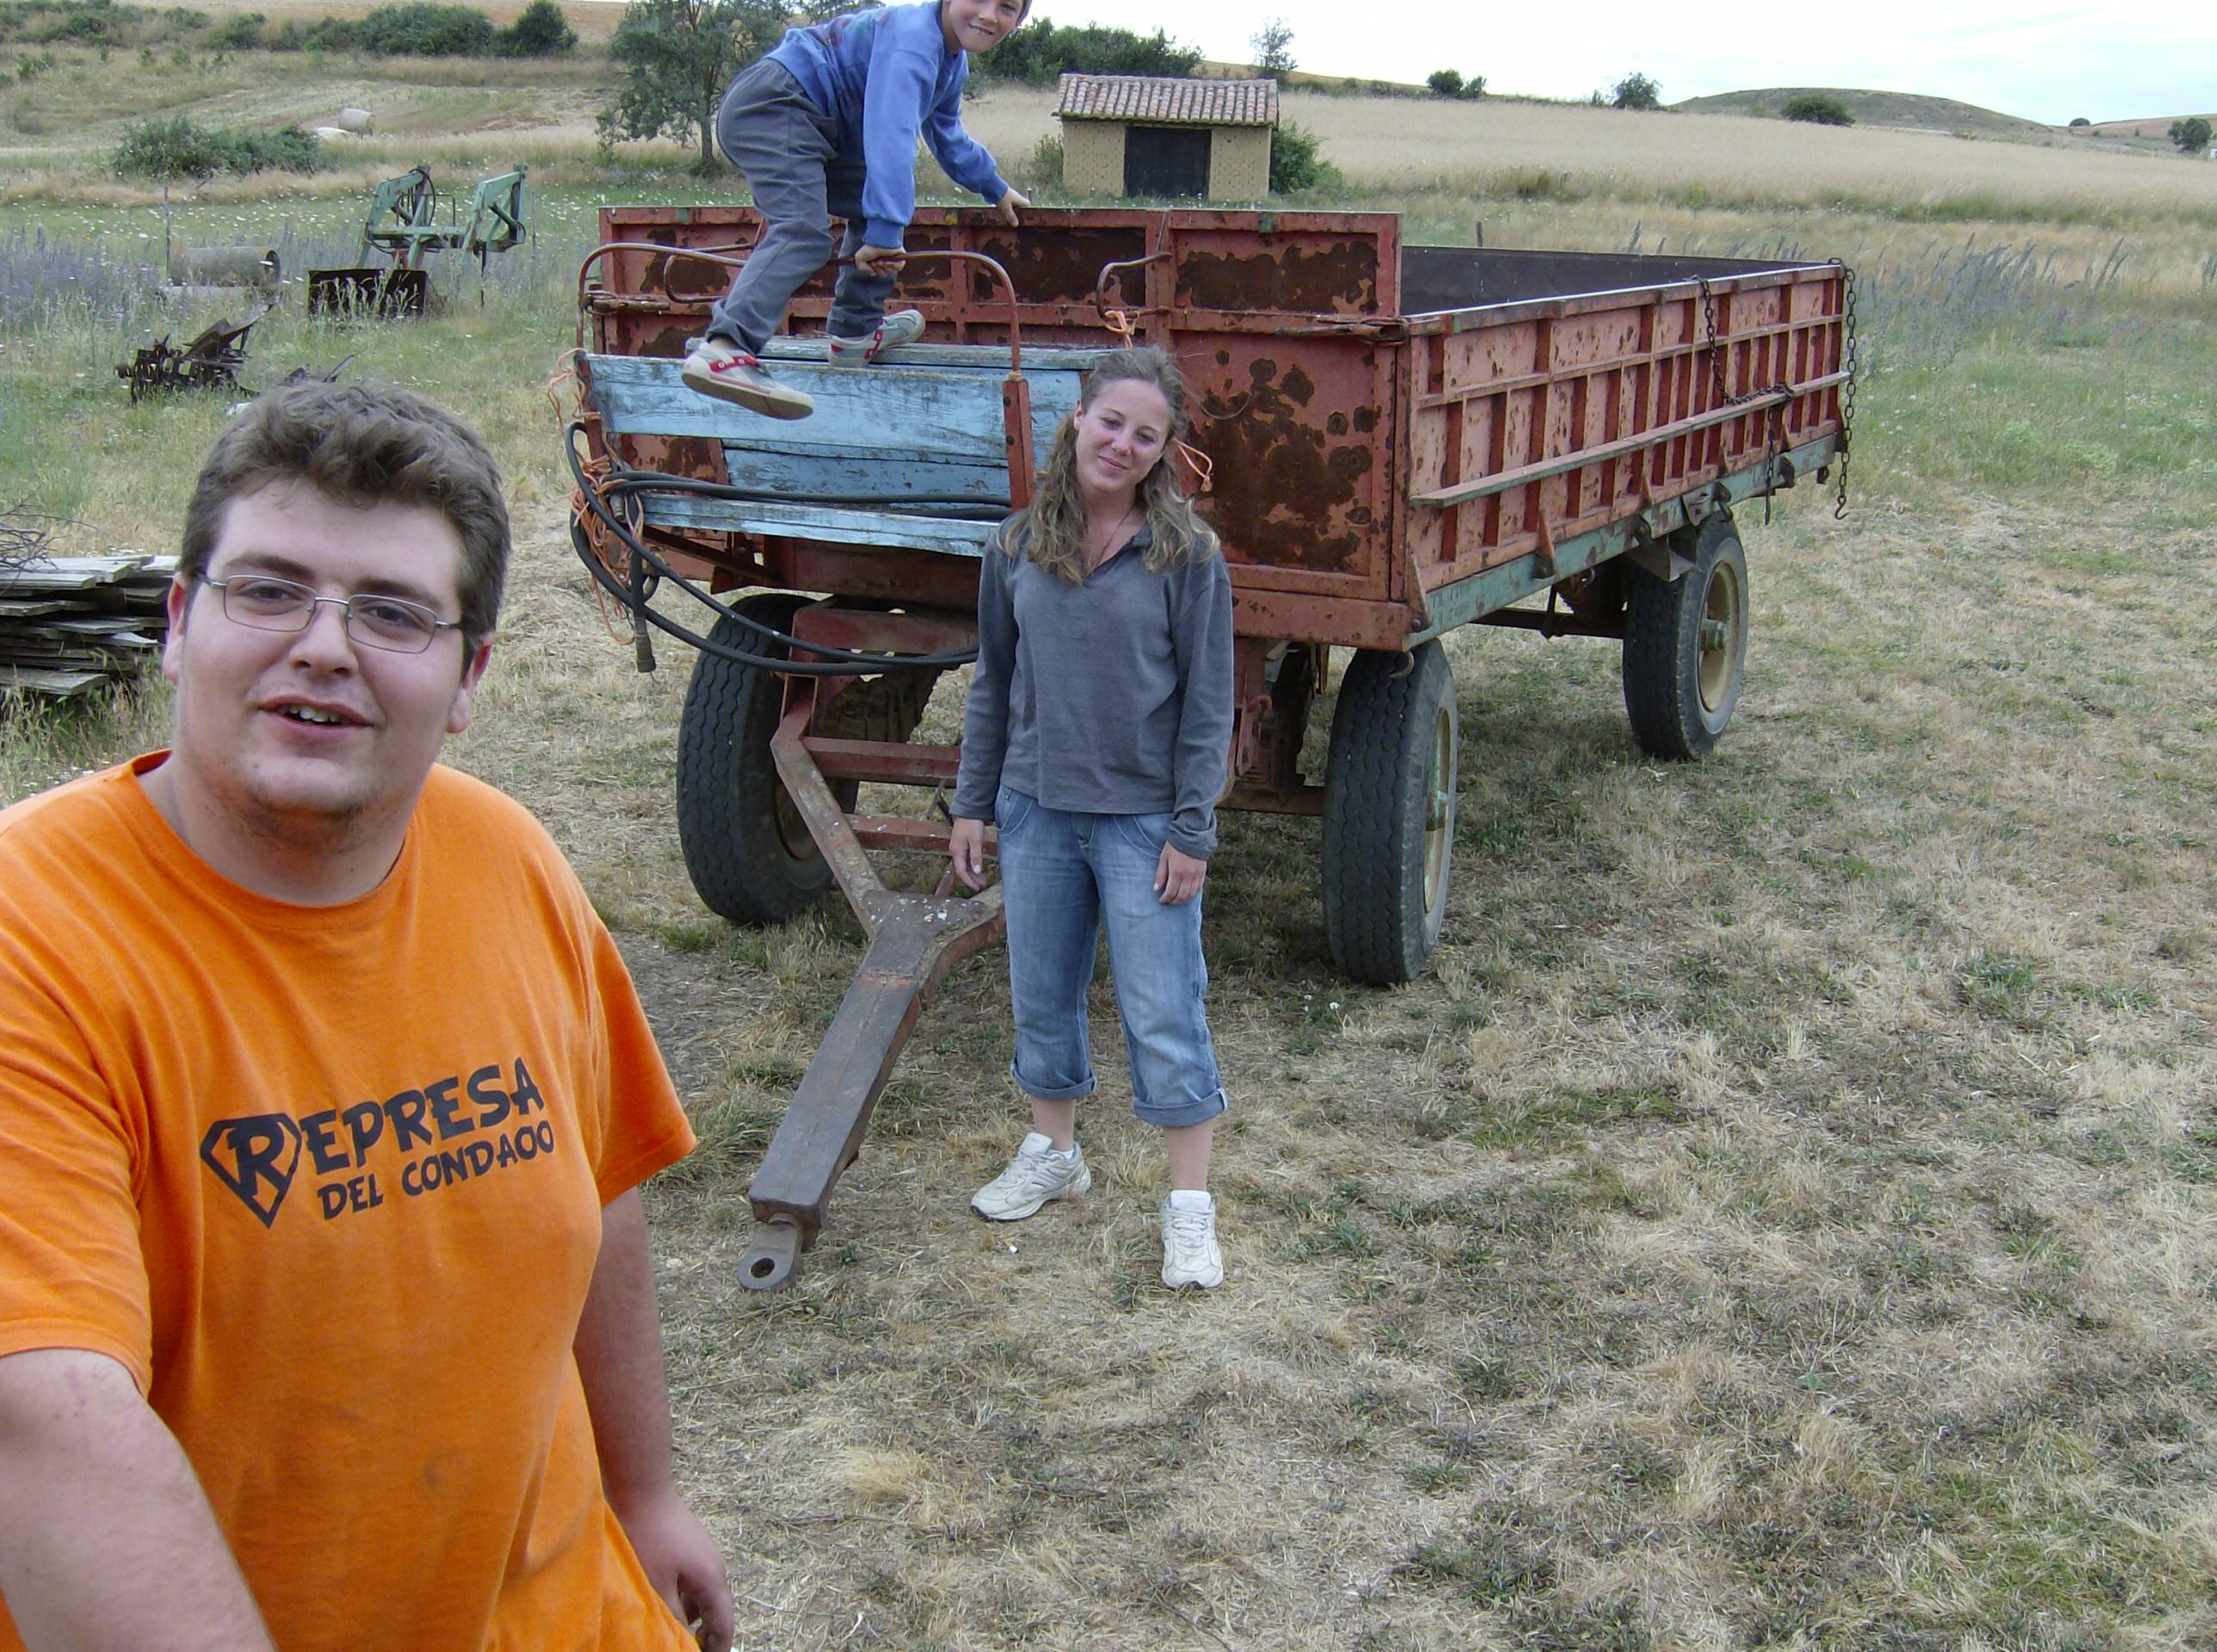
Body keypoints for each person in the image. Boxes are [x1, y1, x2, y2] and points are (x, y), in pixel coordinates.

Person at [0, 383, 735, 1652]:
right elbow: (48, 1419)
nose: (324, 647)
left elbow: (597, 1183)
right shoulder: (37, 933)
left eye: (392, 613)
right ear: (177, 623)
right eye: (269, 589)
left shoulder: (507, 858)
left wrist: (643, 1491)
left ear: (470, 677)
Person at [948, 347, 1236, 1290]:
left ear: (1164, 451)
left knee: (1162, 1011)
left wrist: (1190, 830)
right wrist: (974, 803)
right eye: (1111, 422)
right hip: (1035, 811)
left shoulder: (1186, 556)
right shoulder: (1015, 545)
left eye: (1146, 435)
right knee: (1041, 993)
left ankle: (1188, 1207)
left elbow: (1208, 706)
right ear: (1077, 418)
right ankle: (1054, 1154)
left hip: (1141, 824)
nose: (1122, 444)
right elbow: (993, 682)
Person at [682, 0, 1033, 421]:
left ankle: (854, 332)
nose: (990, 15)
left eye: (1008, 7)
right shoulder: (915, 41)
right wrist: (885, 233)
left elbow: (948, 136)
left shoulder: (950, 63)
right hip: (777, 104)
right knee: (805, 232)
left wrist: (995, 187)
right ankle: (726, 348)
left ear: (1019, 20)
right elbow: (892, 131)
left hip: (815, 122)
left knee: (879, 205)